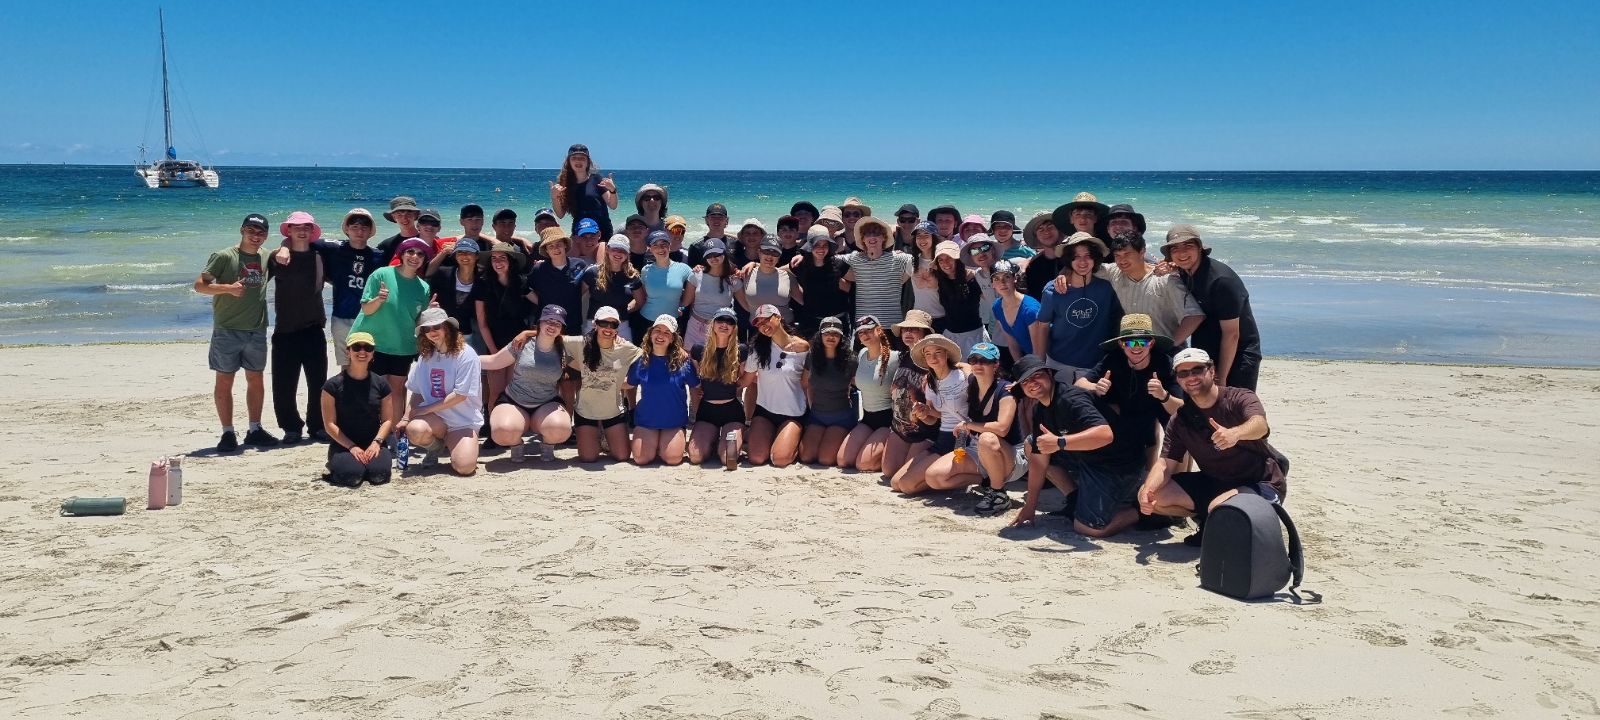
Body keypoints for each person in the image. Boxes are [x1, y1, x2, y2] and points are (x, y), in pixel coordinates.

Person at [1139, 348, 1283, 547]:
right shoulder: (1181, 419)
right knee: (1153, 496)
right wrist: (1148, 490)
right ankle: (1213, 520)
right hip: (1215, 482)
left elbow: (1260, 425)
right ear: (1178, 380)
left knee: (1220, 508)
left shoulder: (1239, 397)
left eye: (1197, 370)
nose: (1191, 377)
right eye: (1183, 373)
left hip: (1261, 481)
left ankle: (1230, 520)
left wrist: (1235, 433)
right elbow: (1166, 463)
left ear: (1212, 371)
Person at [1008, 355, 1145, 538]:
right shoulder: (1040, 408)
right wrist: (1030, 507)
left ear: (1050, 374)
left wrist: (1060, 442)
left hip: (1116, 464)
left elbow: (1105, 434)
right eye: (1025, 382)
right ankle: (1074, 500)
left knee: (1089, 528)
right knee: (1033, 444)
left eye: (1036, 376)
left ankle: (1146, 513)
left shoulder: (1071, 399)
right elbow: (1039, 461)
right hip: (1087, 456)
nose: (1031, 383)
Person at [194, 213, 279, 451]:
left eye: (260, 232)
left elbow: (283, 251)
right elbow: (200, 285)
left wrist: (283, 251)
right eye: (251, 231)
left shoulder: (265, 256)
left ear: (266, 235)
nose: (255, 236)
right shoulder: (223, 256)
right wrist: (227, 289)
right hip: (227, 329)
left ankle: (255, 428)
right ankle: (228, 432)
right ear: (242, 230)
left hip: (256, 330)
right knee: (224, 380)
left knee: (256, 379)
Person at [922, 343, 1025, 515]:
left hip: (1010, 455)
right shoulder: (971, 382)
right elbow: (961, 365)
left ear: (996, 364)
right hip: (978, 450)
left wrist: (968, 425)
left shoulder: (1006, 390)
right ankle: (989, 481)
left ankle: (999, 494)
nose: (978, 364)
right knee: (934, 477)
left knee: (987, 437)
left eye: (984, 360)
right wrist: (931, 375)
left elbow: (1002, 428)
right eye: (974, 359)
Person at [1074, 314, 1184, 470]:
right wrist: (1095, 387)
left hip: (1158, 407)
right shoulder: (1112, 359)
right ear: (1121, 344)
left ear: (1151, 343)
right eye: (1130, 341)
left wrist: (1163, 396)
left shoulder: (1165, 364)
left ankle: (1179, 480)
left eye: (1142, 341)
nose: (1136, 346)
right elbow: (1079, 384)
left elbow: (1180, 409)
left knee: (1184, 428)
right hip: (1125, 410)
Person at [1161, 225, 1263, 391]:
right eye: (1175, 249)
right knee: (1204, 409)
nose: (1182, 253)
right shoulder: (1184, 271)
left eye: (1188, 246)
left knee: (1236, 409)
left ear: (1200, 248)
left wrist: (1221, 377)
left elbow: (1232, 334)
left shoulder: (1221, 281)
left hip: (1238, 353)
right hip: (1204, 348)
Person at [350, 237, 432, 428]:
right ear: (401, 254)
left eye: (420, 254)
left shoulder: (423, 287)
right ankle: (369, 431)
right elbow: (367, 309)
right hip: (372, 343)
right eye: (410, 252)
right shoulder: (381, 274)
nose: (414, 257)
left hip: (403, 346)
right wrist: (379, 299)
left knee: (396, 391)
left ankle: (395, 433)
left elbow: (418, 320)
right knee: (370, 390)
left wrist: (431, 310)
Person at [266, 211, 329, 444]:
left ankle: (317, 426)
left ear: (312, 231)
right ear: (288, 231)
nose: (301, 230)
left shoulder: (320, 255)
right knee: (284, 383)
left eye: (306, 227)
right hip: (285, 329)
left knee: (318, 382)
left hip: (314, 327)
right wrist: (281, 247)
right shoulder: (277, 257)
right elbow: (257, 276)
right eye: (296, 227)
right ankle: (291, 427)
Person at [482, 305, 574, 463]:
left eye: (557, 324)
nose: (552, 326)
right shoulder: (522, 343)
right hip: (515, 400)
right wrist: (461, 359)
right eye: (548, 321)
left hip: (547, 402)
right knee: (502, 432)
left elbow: (594, 342)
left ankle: (547, 444)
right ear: (540, 322)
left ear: (562, 328)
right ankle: (516, 445)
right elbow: (494, 361)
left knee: (561, 430)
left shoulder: (567, 347)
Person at [400, 307, 484, 476]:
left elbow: (460, 395)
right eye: (427, 329)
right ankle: (436, 448)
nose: (432, 332)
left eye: (436, 327)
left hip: (463, 420)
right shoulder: (425, 356)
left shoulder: (466, 354)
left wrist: (424, 410)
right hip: (436, 419)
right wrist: (405, 418)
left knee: (464, 467)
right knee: (414, 430)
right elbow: (416, 391)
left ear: (447, 327)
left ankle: (456, 444)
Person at [1093, 226, 1204, 345]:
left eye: (1127, 254)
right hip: (1135, 348)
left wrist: (1171, 345)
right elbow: (1084, 268)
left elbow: (1194, 316)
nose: (1122, 260)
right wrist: (1068, 276)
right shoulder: (1113, 272)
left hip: (1165, 351)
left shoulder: (1166, 280)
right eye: (1117, 256)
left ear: (1142, 252)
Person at [1032, 232, 1123, 374]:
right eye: (1076, 257)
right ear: (1069, 260)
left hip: (1095, 365)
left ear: (1095, 258)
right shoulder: (1052, 290)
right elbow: (1042, 326)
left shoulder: (1107, 288)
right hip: (1057, 362)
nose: (1082, 262)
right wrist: (1038, 365)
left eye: (1088, 256)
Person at [889, 333, 968, 495]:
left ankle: (971, 475)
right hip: (943, 439)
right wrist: (925, 413)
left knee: (907, 485)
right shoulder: (930, 382)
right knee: (896, 483)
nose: (933, 357)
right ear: (924, 358)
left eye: (938, 352)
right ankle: (946, 474)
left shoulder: (963, 376)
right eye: (928, 354)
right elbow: (934, 419)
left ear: (946, 354)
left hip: (963, 439)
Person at [564, 306, 642, 463]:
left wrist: (631, 381)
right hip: (586, 411)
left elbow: (649, 355)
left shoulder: (625, 348)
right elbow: (551, 338)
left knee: (622, 456)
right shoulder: (580, 343)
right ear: (595, 324)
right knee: (588, 458)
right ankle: (597, 435)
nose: (608, 328)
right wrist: (526, 333)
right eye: (604, 323)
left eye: (613, 324)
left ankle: (606, 435)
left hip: (613, 411)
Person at [320, 332, 395, 487]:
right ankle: (340, 464)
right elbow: (329, 425)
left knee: (379, 476)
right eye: (356, 347)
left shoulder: (381, 384)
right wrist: (352, 447)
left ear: (373, 352)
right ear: (348, 351)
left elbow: (387, 420)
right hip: (343, 444)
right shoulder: (332, 386)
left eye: (367, 348)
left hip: (373, 442)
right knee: (351, 477)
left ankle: (365, 465)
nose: (362, 352)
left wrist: (376, 443)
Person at [742, 304, 809, 467]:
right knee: (756, 458)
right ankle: (767, 436)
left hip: (793, 413)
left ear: (778, 317)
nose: (764, 326)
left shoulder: (803, 347)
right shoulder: (757, 349)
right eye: (759, 324)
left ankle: (795, 439)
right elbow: (745, 382)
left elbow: (808, 384)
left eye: (767, 320)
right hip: (765, 411)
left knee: (780, 460)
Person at [625, 315, 698, 466]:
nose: (661, 335)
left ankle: (664, 444)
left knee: (672, 459)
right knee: (641, 459)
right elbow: (629, 385)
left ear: (672, 339)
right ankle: (655, 443)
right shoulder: (640, 360)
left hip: (673, 421)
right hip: (646, 420)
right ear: (650, 334)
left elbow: (696, 387)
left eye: (667, 333)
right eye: (657, 330)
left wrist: (697, 418)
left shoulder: (683, 362)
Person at [880, 311, 938, 482]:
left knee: (901, 479)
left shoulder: (932, 362)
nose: (908, 333)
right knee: (889, 471)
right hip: (900, 428)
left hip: (925, 430)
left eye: (915, 329)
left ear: (925, 334)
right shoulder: (903, 356)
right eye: (905, 329)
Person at [474, 241, 533, 407]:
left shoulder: (521, 282)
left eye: (502, 258)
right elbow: (482, 322)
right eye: (494, 258)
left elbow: (540, 302)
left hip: (519, 342)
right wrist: (493, 351)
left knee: (513, 390)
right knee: (496, 390)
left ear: (511, 261)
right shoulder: (483, 283)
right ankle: (493, 429)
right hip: (495, 342)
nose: (498, 262)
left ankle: (511, 426)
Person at [687, 307, 747, 469]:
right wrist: (697, 411)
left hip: (732, 411)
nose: (724, 324)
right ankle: (714, 440)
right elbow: (694, 384)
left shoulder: (741, 350)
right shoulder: (699, 349)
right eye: (720, 320)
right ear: (712, 324)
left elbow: (743, 381)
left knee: (729, 459)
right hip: (707, 411)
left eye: (730, 321)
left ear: (734, 328)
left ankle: (729, 441)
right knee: (695, 457)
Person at [835, 316, 896, 472]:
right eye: (861, 333)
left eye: (869, 331)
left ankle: (893, 452)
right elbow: (865, 380)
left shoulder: (895, 357)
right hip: (868, 418)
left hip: (888, 420)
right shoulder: (862, 353)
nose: (865, 335)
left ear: (879, 330)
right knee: (843, 460)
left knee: (864, 464)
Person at [797, 317, 858, 466]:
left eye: (835, 334)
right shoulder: (812, 357)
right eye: (827, 333)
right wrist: (812, 408)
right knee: (806, 457)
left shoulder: (851, 360)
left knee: (826, 459)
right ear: (820, 335)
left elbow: (857, 385)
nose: (831, 337)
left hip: (841, 417)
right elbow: (806, 384)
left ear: (842, 337)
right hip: (817, 416)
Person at [838, 217, 914, 328]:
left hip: (891, 326)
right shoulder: (855, 258)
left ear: (884, 237)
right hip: (864, 326)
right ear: (863, 239)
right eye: (868, 234)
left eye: (877, 233)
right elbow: (827, 261)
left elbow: (922, 260)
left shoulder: (898, 259)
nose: (872, 237)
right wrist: (838, 246)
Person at [526, 226, 590, 335]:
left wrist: (574, 297)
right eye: (551, 246)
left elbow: (588, 283)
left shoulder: (579, 265)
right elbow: (524, 288)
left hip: (573, 323)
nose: (556, 249)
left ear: (565, 244)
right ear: (546, 250)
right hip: (547, 326)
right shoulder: (539, 269)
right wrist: (541, 302)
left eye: (559, 244)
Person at [790, 226, 851, 336]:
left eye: (825, 245)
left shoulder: (838, 264)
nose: (821, 249)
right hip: (811, 323)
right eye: (817, 245)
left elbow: (855, 285)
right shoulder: (800, 265)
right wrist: (756, 264)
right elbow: (776, 270)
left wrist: (840, 283)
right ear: (809, 246)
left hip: (837, 321)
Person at [581, 236, 644, 341]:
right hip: (593, 324)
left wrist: (626, 309)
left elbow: (640, 301)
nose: (618, 253)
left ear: (628, 254)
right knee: (590, 357)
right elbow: (577, 296)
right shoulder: (592, 272)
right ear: (607, 249)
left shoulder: (632, 276)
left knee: (625, 357)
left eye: (623, 250)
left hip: (621, 326)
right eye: (615, 249)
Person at [426, 237, 483, 352]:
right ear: (455, 256)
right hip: (444, 332)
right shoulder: (442, 274)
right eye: (460, 252)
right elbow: (430, 300)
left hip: (470, 332)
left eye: (469, 252)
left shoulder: (483, 278)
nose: (464, 256)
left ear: (477, 256)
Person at [550, 143, 617, 240]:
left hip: (602, 231)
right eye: (574, 158)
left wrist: (613, 190)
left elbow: (613, 205)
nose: (578, 161)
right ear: (568, 162)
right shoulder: (565, 185)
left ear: (588, 161)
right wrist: (554, 197)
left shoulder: (597, 179)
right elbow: (560, 215)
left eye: (582, 158)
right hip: (580, 232)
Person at [684, 240, 740, 347]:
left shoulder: (733, 279)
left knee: (718, 363)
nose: (713, 258)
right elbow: (685, 302)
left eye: (717, 254)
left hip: (721, 330)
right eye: (709, 255)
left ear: (724, 254)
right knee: (689, 361)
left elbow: (748, 306)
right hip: (695, 327)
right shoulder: (695, 275)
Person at [933, 240, 985, 353]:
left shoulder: (972, 278)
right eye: (940, 260)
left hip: (974, 335)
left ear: (957, 259)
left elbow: (989, 298)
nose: (945, 263)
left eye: (949, 258)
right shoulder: (940, 281)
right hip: (950, 335)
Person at [639, 230, 692, 327]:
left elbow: (695, 291)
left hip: (672, 322)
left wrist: (682, 307)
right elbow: (643, 296)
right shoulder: (645, 270)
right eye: (655, 245)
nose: (661, 248)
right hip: (647, 320)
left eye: (664, 243)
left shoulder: (684, 269)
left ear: (670, 246)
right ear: (650, 249)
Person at [990, 260, 1039, 363]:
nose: (1002, 283)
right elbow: (1012, 343)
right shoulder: (997, 307)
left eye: (1007, 277)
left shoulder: (1030, 309)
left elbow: (1038, 348)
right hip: (1029, 358)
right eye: (996, 279)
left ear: (1015, 278)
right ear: (992, 284)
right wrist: (1020, 368)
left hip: (1049, 358)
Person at [739, 236, 795, 325]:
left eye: (775, 253)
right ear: (759, 252)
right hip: (756, 328)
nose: (770, 256)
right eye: (766, 251)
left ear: (779, 257)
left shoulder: (788, 276)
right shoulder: (746, 273)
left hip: (784, 329)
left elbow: (805, 300)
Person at [906, 221, 945, 329]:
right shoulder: (911, 261)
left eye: (926, 235)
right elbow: (899, 281)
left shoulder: (942, 261)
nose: (922, 240)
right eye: (918, 236)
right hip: (919, 317)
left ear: (934, 238)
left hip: (942, 316)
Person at [1021, 211, 1064, 300]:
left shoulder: (1074, 258)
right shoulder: (1032, 267)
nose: (1046, 232)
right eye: (1040, 229)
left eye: (1050, 226)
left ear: (1059, 230)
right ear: (1036, 236)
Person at [373, 196, 421, 265]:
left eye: (408, 214)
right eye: (399, 215)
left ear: (415, 215)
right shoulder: (386, 245)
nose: (404, 218)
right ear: (394, 217)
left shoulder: (428, 240)